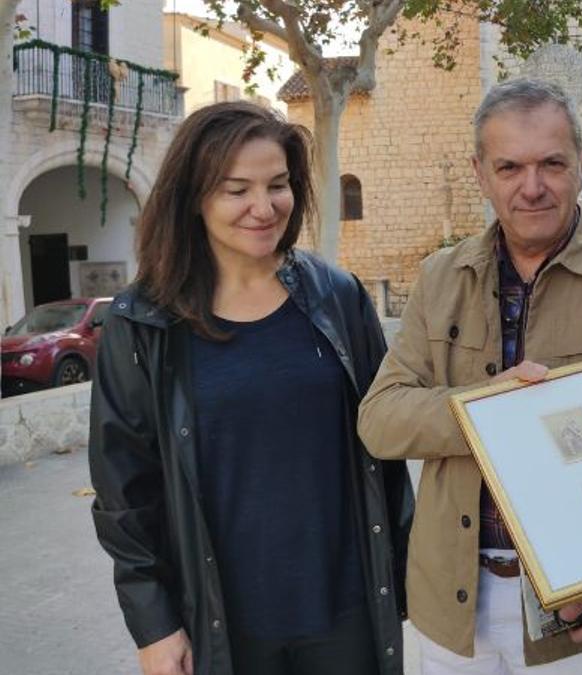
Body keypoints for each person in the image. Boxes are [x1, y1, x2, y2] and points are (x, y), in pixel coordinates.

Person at [357, 78, 582, 674]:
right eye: (510, 167)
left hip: (580, 609)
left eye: (552, 164)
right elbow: (380, 419)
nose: (532, 186)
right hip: (452, 606)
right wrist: (488, 409)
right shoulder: (439, 279)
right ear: (481, 173)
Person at [88, 101, 413, 675]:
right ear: (194, 196)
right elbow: (124, 492)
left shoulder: (339, 297)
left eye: (278, 185)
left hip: (347, 614)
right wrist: (154, 625)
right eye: (237, 189)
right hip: (222, 623)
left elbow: (383, 453)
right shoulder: (141, 322)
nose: (264, 208)